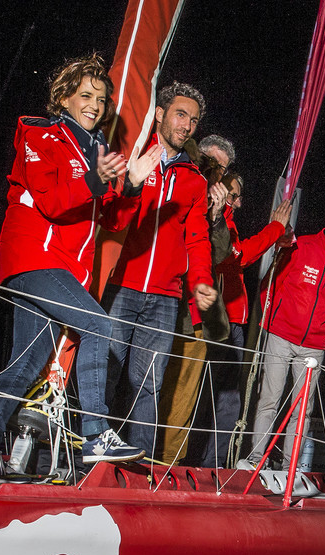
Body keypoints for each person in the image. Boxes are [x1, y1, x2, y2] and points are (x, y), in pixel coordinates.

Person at [0, 54, 152, 472]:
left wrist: (129, 187)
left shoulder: (96, 148)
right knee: (97, 323)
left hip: (63, 269)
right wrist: (97, 180)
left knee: (27, 362)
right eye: (85, 95)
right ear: (65, 97)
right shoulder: (42, 134)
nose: (95, 104)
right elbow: (52, 203)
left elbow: (109, 220)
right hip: (32, 257)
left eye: (101, 98)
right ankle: (95, 435)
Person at [103, 81, 218, 460]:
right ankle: (86, 456)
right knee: (106, 372)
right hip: (120, 287)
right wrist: (132, 182)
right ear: (159, 114)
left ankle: (139, 468)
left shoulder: (195, 181)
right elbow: (109, 213)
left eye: (194, 120)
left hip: (165, 298)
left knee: (148, 384)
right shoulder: (130, 155)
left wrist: (201, 281)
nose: (186, 125)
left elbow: (198, 240)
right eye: (180, 114)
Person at [241, 202, 325, 473]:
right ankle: (256, 460)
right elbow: (272, 282)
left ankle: (289, 467)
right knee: (269, 398)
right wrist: (273, 319)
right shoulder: (302, 246)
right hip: (281, 335)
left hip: (314, 345)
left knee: (302, 410)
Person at [192, 168, 290, 467]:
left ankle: (215, 464)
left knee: (229, 399)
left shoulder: (229, 224)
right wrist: (274, 229)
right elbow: (239, 256)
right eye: (230, 194)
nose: (234, 201)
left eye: (236, 197)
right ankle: (194, 461)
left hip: (234, 320)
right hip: (215, 321)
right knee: (207, 395)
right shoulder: (211, 221)